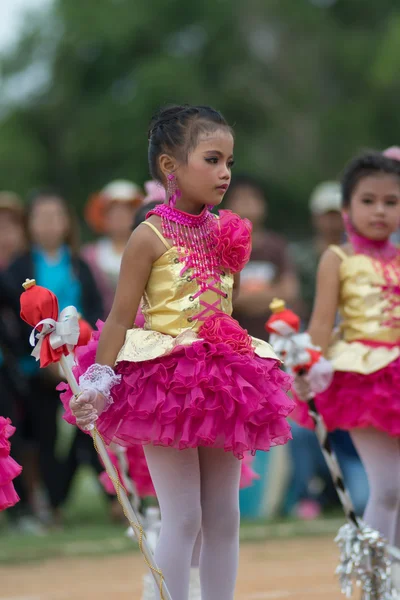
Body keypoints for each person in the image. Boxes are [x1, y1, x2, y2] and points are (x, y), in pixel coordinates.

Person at [63, 104, 295, 600]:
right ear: (171, 167)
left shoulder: (225, 232)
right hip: (166, 380)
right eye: (212, 159)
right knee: (183, 517)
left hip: (227, 376)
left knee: (225, 515)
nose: (225, 172)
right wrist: (99, 382)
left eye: (229, 161)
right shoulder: (147, 236)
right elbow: (123, 318)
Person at [293, 152, 400, 563]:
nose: (380, 210)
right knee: (387, 488)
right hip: (362, 379)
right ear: (346, 209)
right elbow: (321, 323)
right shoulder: (337, 259)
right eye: (368, 200)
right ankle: (375, 579)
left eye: (391, 202)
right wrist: (307, 366)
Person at [6, 189, 104, 527]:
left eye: (55, 216)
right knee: (44, 439)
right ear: (30, 224)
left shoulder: (80, 266)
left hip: (80, 365)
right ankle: (50, 505)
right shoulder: (18, 267)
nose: (49, 224)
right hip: (37, 371)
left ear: (66, 222)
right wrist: (44, 363)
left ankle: (109, 496)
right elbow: (15, 323)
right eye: (41, 217)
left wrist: (78, 355)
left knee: (88, 432)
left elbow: (93, 311)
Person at [223, 175, 299, 340]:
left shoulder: (277, 246)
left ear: (264, 204)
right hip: (232, 340)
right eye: (239, 198)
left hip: (273, 339)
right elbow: (219, 298)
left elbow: (290, 292)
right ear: (228, 205)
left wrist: (242, 299)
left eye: (252, 197)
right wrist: (270, 297)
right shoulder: (221, 246)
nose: (247, 203)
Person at [82, 180, 143, 317]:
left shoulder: (148, 250)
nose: (120, 217)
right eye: (114, 212)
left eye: (126, 211)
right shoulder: (89, 255)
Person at [290, 181, 344, 322]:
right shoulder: (297, 254)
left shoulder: (356, 255)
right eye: (327, 215)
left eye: (336, 215)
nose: (332, 221)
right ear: (315, 217)